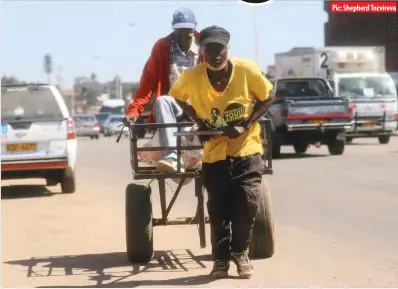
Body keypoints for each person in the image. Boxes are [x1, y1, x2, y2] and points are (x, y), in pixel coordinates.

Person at [168, 26, 275, 279]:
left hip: (247, 151)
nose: (215, 54)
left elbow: (268, 96)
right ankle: (219, 260)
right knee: (218, 211)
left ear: (228, 49)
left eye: (220, 49)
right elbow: (177, 96)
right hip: (214, 154)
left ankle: (240, 253)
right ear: (201, 51)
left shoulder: (247, 70)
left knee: (247, 206)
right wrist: (199, 121)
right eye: (209, 49)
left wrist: (247, 124)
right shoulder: (192, 76)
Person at [123, 7, 202, 172]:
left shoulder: (205, 45)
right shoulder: (162, 47)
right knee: (161, 101)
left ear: (194, 28)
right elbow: (147, 83)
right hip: (174, 105)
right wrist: (134, 111)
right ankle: (172, 156)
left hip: (200, 105)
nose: (184, 34)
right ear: (174, 29)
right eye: (180, 30)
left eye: (188, 30)